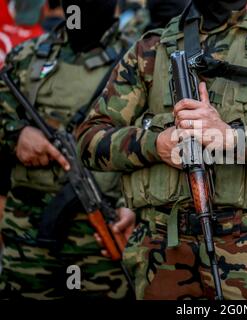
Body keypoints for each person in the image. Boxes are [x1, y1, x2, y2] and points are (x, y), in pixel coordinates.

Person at [76, 0, 247, 300]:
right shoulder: (151, 50)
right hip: (162, 249)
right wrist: (154, 145)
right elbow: (89, 139)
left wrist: (232, 138)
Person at [0, 0, 135, 299]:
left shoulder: (136, 61)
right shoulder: (26, 56)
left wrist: (135, 208)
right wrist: (17, 134)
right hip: (28, 238)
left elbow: (157, 140)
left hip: (104, 238)